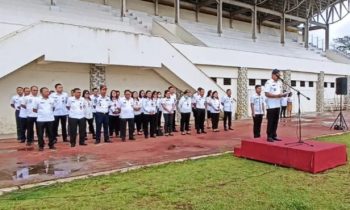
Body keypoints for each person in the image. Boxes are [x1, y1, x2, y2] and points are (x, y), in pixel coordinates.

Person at [264, 69, 289, 142]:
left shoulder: (279, 83)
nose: (279, 77)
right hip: (271, 105)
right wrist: (277, 96)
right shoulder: (269, 83)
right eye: (278, 75)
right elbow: (267, 94)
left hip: (278, 105)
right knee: (271, 121)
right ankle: (269, 136)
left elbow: (279, 93)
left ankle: (274, 135)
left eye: (279, 76)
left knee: (276, 121)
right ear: (273, 74)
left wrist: (283, 95)